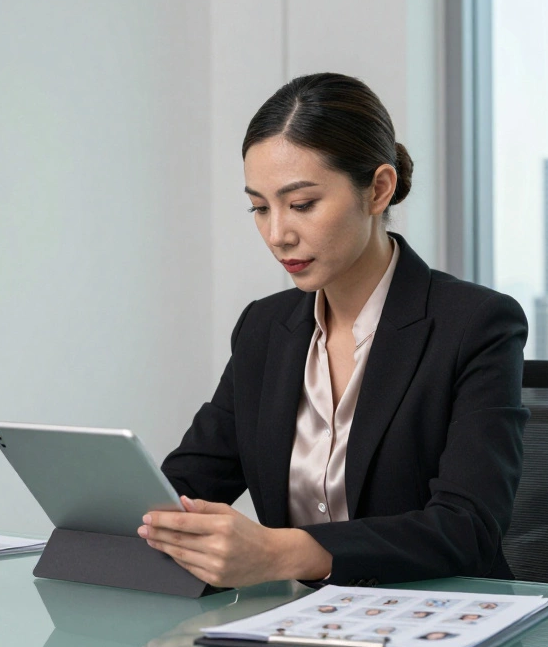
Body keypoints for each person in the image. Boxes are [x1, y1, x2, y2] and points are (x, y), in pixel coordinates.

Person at [137, 72, 528, 589]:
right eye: (259, 207)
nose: (278, 234)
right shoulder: (264, 328)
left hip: (429, 635)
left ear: (378, 189)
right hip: (289, 639)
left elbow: (467, 529)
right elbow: (185, 485)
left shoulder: (475, 325)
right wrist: (132, 509)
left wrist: (289, 552)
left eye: (301, 204)